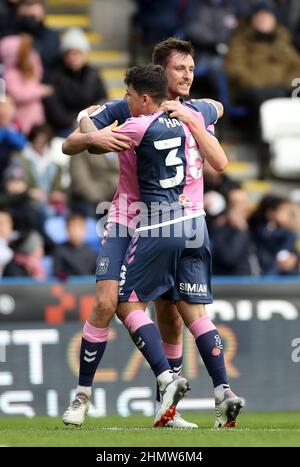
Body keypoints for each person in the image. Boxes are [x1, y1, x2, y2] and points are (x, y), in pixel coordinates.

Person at [62, 38, 226, 429]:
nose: (187, 75)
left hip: (173, 224)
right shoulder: (129, 106)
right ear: (160, 73)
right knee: (107, 300)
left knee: (170, 315)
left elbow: (216, 109)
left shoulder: (195, 109)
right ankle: (82, 397)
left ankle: (167, 409)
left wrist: (196, 113)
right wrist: (91, 135)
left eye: (191, 69)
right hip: (127, 218)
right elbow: (73, 140)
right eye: (180, 69)